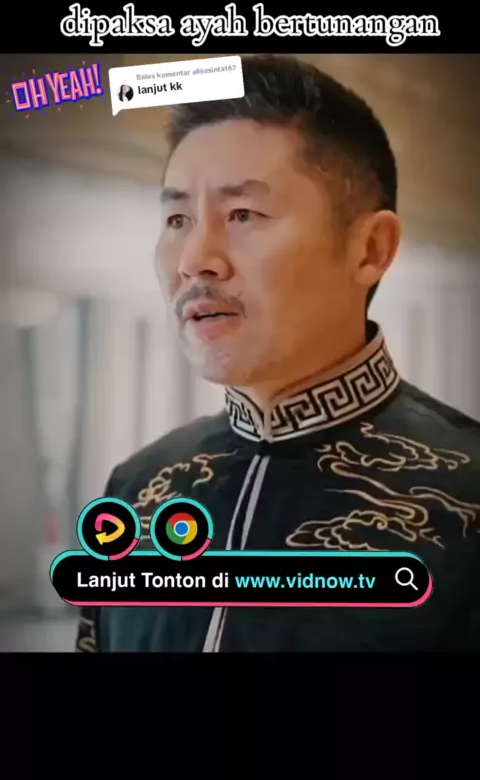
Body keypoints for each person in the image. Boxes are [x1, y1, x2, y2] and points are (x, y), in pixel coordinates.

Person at [76, 54, 480, 653]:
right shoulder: (135, 489)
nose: (195, 260)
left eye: (243, 214)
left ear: (370, 249)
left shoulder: (467, 493)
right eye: (178, 218)